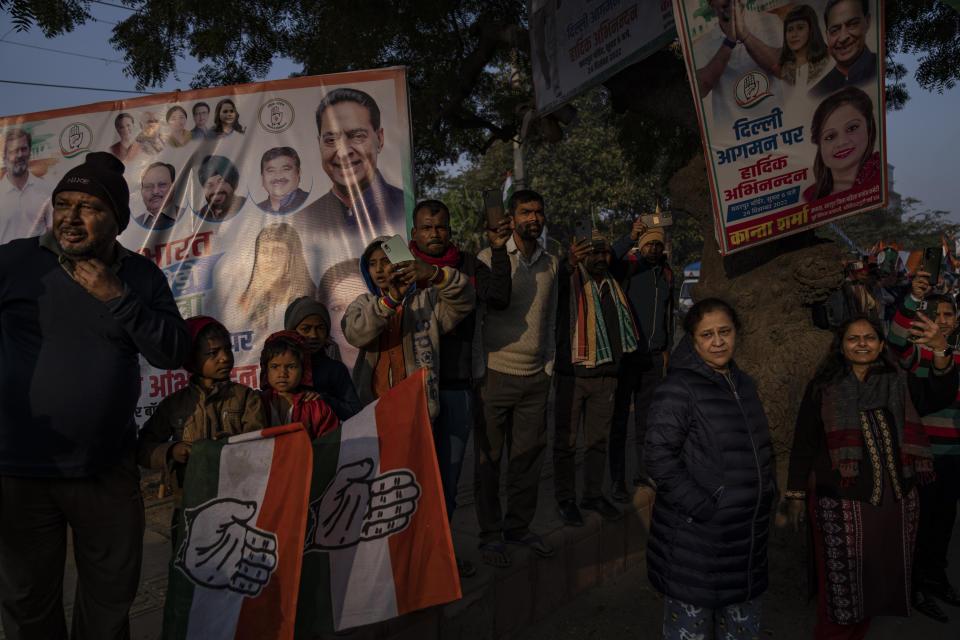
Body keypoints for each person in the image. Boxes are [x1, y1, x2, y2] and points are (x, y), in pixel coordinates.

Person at [0, 151, 190, 638]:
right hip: (21, 473)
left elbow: (173, 351)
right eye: (64, 203)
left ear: (118, 221)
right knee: (26, 603)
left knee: (108, 603)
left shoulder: (140, 277)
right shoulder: (17, 263)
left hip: (106, 472)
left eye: (89, 207)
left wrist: (118, 298)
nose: (71, 216)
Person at [786, 314, 953, 638]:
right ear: (841, 346)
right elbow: (803, 444)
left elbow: (939, 395)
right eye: (853, 338)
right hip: (840, 506)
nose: (862, 344)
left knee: (873, 593)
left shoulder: (897, 381)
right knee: (840, 597)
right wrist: (795, 496)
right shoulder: (825, 387)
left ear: (880, 344)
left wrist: (941, 350)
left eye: (870, 338)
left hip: (895, 506)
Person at [645, 298, 775, 640]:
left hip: (745, 543)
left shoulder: (743, 383)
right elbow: (658, 456)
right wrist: (704, 507)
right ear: (692, 339)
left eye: (725, 332)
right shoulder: (678, 387)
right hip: (697, 545)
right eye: (707, 334)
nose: (718, 342)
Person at [408, 199, 512, 578]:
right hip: (412, 392)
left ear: (450, 230)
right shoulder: (401, 266)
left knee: (448, 480)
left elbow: (499, 297)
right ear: (413, 233)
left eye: (441, 228)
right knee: (412, 480)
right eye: (426, 228)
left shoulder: (467, 264)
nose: (434, 234)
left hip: (457, 388)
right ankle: (410, 560)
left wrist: (499, 250)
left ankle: (440, 555)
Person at [474, 189, 558, 567]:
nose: (533, 219)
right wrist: (480, 371)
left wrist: (549, 366)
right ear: (511, 217)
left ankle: (519, 527)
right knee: (489, 461)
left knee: (527, 460)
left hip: (534, 378)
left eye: (538, 213)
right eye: (526, 212)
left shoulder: (551, 264)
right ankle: (491, 534)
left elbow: (552, 319)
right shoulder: (487, 258)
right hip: (494, 374)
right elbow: (479, 318)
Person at [136, 316, 264, 545]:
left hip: (241, 502)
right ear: (192, 359)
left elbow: (261, 445)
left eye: (227, 349)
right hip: (188, 505)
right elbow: (144, 449)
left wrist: (232, 444)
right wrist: (172, 451)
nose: (224, 357)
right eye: (212, 353)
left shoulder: (247, 398)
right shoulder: (174, 405)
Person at [886, 271, 960, 623]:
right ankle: (913, 585)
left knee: (944, 523)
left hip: (954, 458)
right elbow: (896, 336)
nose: (943, 320)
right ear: (925, 318)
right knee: (918, 524)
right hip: (921, 458)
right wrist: (914, 298)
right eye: (937, 314)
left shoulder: (956, 354)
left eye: (949, 315)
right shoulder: (915, 354)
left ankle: (936, 579)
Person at [554, 233, 639, 526]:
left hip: (607, 376)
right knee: (566, 443)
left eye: (604, 254)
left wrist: (630, 237)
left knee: (597, 441)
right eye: (593, 254)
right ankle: (565, 499)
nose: (600, 259)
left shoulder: (614, 283)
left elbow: (618, 254)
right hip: (572, 375)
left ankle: (592, 494)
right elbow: (560, 277)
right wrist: (570, 261)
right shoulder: (568, 280)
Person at [342, 236, 474, 421]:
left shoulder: (426, 300)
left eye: (386, 261)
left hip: (418, 411)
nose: (379, 269)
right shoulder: (363, 304)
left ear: (400, 262)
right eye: (372, 263)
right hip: (373, 412)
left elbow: (465, 300)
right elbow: (354, 334)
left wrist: (435, 274)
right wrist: (390, 301)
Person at [608, 220, 672, 501]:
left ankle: (644, 472)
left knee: (648, 422)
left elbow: (668, 315)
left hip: (654, 359)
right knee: (620, 421)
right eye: (649, 244)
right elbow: (608, 260)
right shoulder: (629, 268)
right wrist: (629, 237)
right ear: (641, 246)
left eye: (658, 244)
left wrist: (667, 348)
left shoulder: (668, 274)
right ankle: (616, 481)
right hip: (627, 357)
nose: (654, 249)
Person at [297, 88, 406, 247]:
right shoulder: (303, 221)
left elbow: (404, 266)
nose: (343, 152)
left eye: (357, 136)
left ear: (380, 139)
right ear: (319, 144)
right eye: (331, 140)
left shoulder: (404, 209)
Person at [693, 0, 782, 123]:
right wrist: (729, 42)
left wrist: (744, 35)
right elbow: (700, 89)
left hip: (779, 121)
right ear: (710, 4)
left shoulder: (771, 22)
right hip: (735, 133)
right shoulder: (702, 45)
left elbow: (783, 69)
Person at [284, 296, 363, 421]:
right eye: (305, 329)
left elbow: (355, 412)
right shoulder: (280, 367)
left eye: (320, 328)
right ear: (291, 331)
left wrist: (323, 400)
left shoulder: (335, 370)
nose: (313, 335)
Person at [803, 86, 880, 202]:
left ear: (869, 127)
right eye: (830, 137)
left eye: (852, 128)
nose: (842, 142)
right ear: (819, 145)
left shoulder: (880, 179)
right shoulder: (809, 196)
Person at [259, 330, 338, 439]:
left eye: (291, 367)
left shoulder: (316, 408)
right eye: (275, 366)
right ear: (266, 369)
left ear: (304, 371)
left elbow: (328, 445)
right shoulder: (257, 403)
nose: (283, 374)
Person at [238, 223, 316, 333]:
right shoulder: (246, 303)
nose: (270, 259)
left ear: (292, 258)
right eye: (264, 251)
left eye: (278, 251)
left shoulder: (311, 300)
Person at [810, 0, 877, 98]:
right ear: (827, 36)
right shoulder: (817, 92)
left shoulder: (881, 70)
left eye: (852, 24)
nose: (843, 38)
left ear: (867, 22)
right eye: (835, 30)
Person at [0, 128, 52, 243]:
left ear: (29, 152)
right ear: (4, 157)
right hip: (4, 260)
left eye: (23, 149)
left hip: (37, 260)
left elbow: (52, 233)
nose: (19, 155)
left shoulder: (46, 190)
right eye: (13, 151)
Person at [775, 4, 829, 87]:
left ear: (811, 30)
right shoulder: (785, 69)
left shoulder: (826, 63)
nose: (794, 34)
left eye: (800, 28)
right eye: (790, 29)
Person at [257, 146, 309, 213]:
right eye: (271, 171)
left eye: (285, 169)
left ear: (298, 173)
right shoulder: (255, 211)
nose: (278, 176)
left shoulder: (313, 203)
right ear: (262, 177)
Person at [196, 154, 246, 221]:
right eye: (209, 185)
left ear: (234, 184)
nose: (216, 190)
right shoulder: (198, 217)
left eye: (221, 182)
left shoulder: (247, 206)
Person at [134, 162, 182, 230]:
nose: (155, 192)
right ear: (141, 191)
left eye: (162, 185)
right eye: (148, 187)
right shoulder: (133, 226)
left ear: (173, 187)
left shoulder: (189, 217)